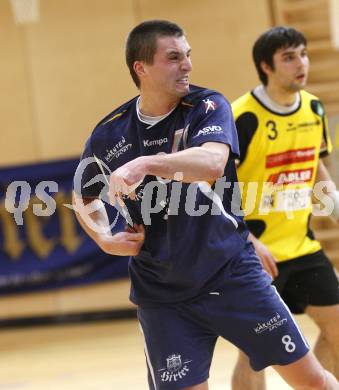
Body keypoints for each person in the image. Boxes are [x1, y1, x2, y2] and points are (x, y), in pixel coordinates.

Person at [73, 20, 339, 390]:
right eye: (173, 57)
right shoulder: (109, 134)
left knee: (312, 381)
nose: (187, 65)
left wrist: (146, 164)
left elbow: (212, 163)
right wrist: (104, 236)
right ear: (141, 68)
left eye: (188, 55)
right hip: (163, 296)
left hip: (233, 275)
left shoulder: (208, 105)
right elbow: (82, 196)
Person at [231, 26, 339, 390]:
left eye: (304, 54)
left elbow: (316, 164)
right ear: (266, 66)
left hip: (301, 246)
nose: (301, 63)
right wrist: (245, 238)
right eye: (289, 57)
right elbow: (214, 187)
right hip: (253, 254)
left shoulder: (314, 108)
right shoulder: (241, 116)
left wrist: (334, 206)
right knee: (255, 349)